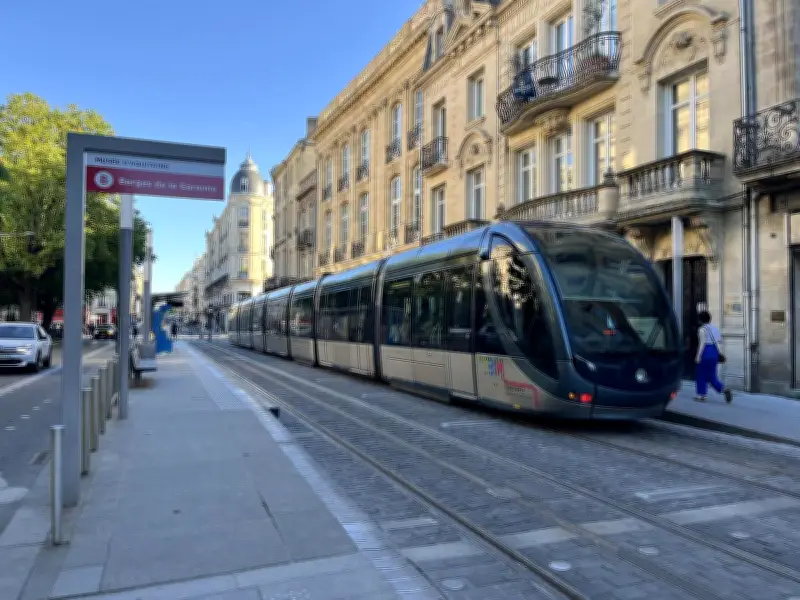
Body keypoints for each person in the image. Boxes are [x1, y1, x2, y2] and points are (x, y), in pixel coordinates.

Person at [695, 310, 733, 404]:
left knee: (701, 374)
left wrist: (698, 356)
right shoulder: (715, 329)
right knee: (712, 376)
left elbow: (702, 343)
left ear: (700, 320)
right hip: (714, 352)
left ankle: (701, 395)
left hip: (705, 352)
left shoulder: (702, 329)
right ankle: (723, 389)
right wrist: (719, 353)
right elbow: (719, 342)